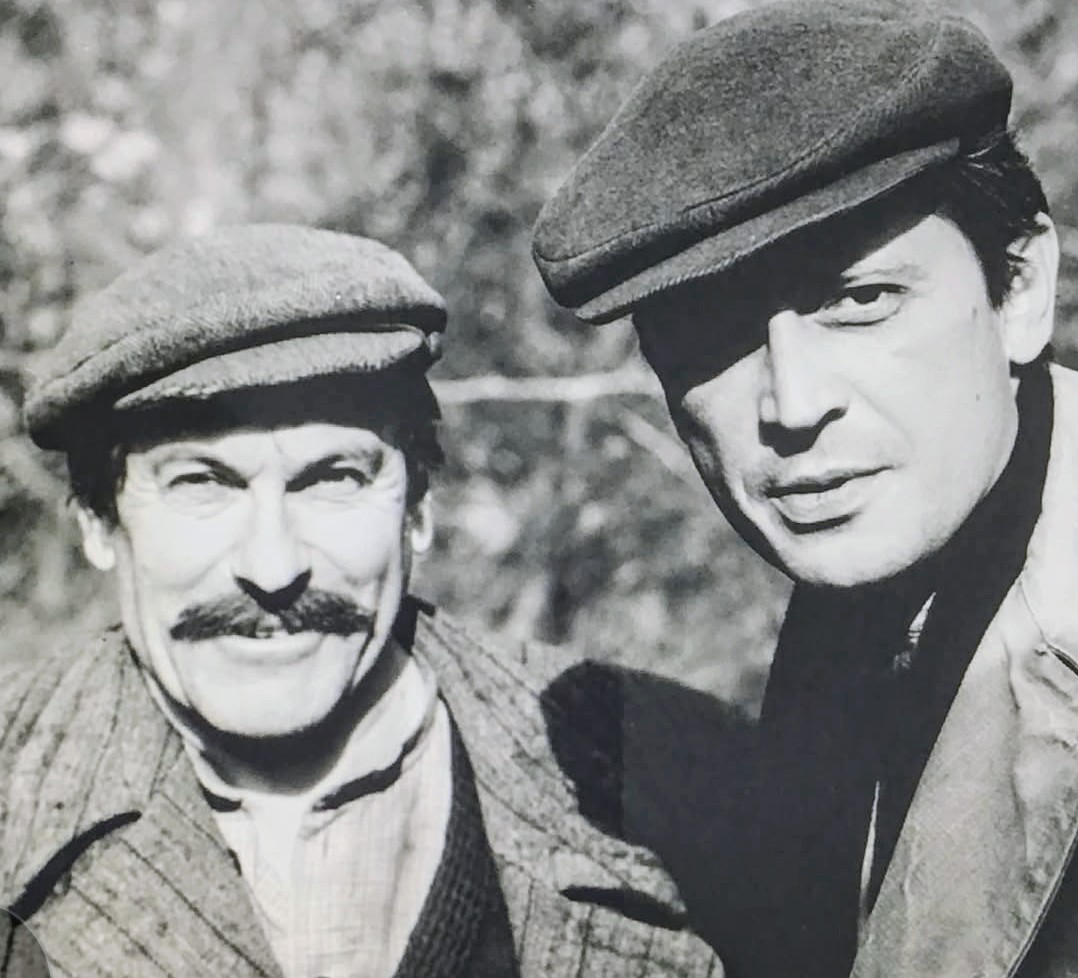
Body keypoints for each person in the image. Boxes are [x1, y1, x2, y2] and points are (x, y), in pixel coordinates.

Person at [0, 224, 719, 978]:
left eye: (334, 478)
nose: (274, 568)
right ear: (98, 523)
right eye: (202, 483)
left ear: (418, 510)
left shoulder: (669, 778)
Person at [532, 2, 1078, 976]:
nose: (792, 405)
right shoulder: (871, 601)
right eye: (713, 335)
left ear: (1021, 288)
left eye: (861, 301)